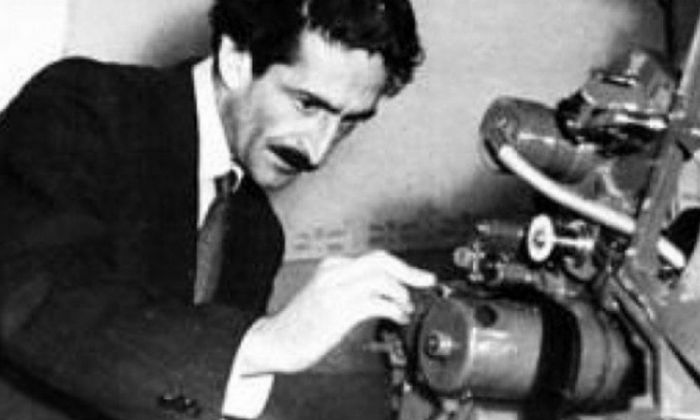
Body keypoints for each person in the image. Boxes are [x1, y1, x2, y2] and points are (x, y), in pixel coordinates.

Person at [0, 0, 434, 419]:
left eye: (349, 122)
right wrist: (265, 342)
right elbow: (32, 293)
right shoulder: (85, 105)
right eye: (307, 104)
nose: (317, 151)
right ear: (235, 59)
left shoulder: (258, 233)